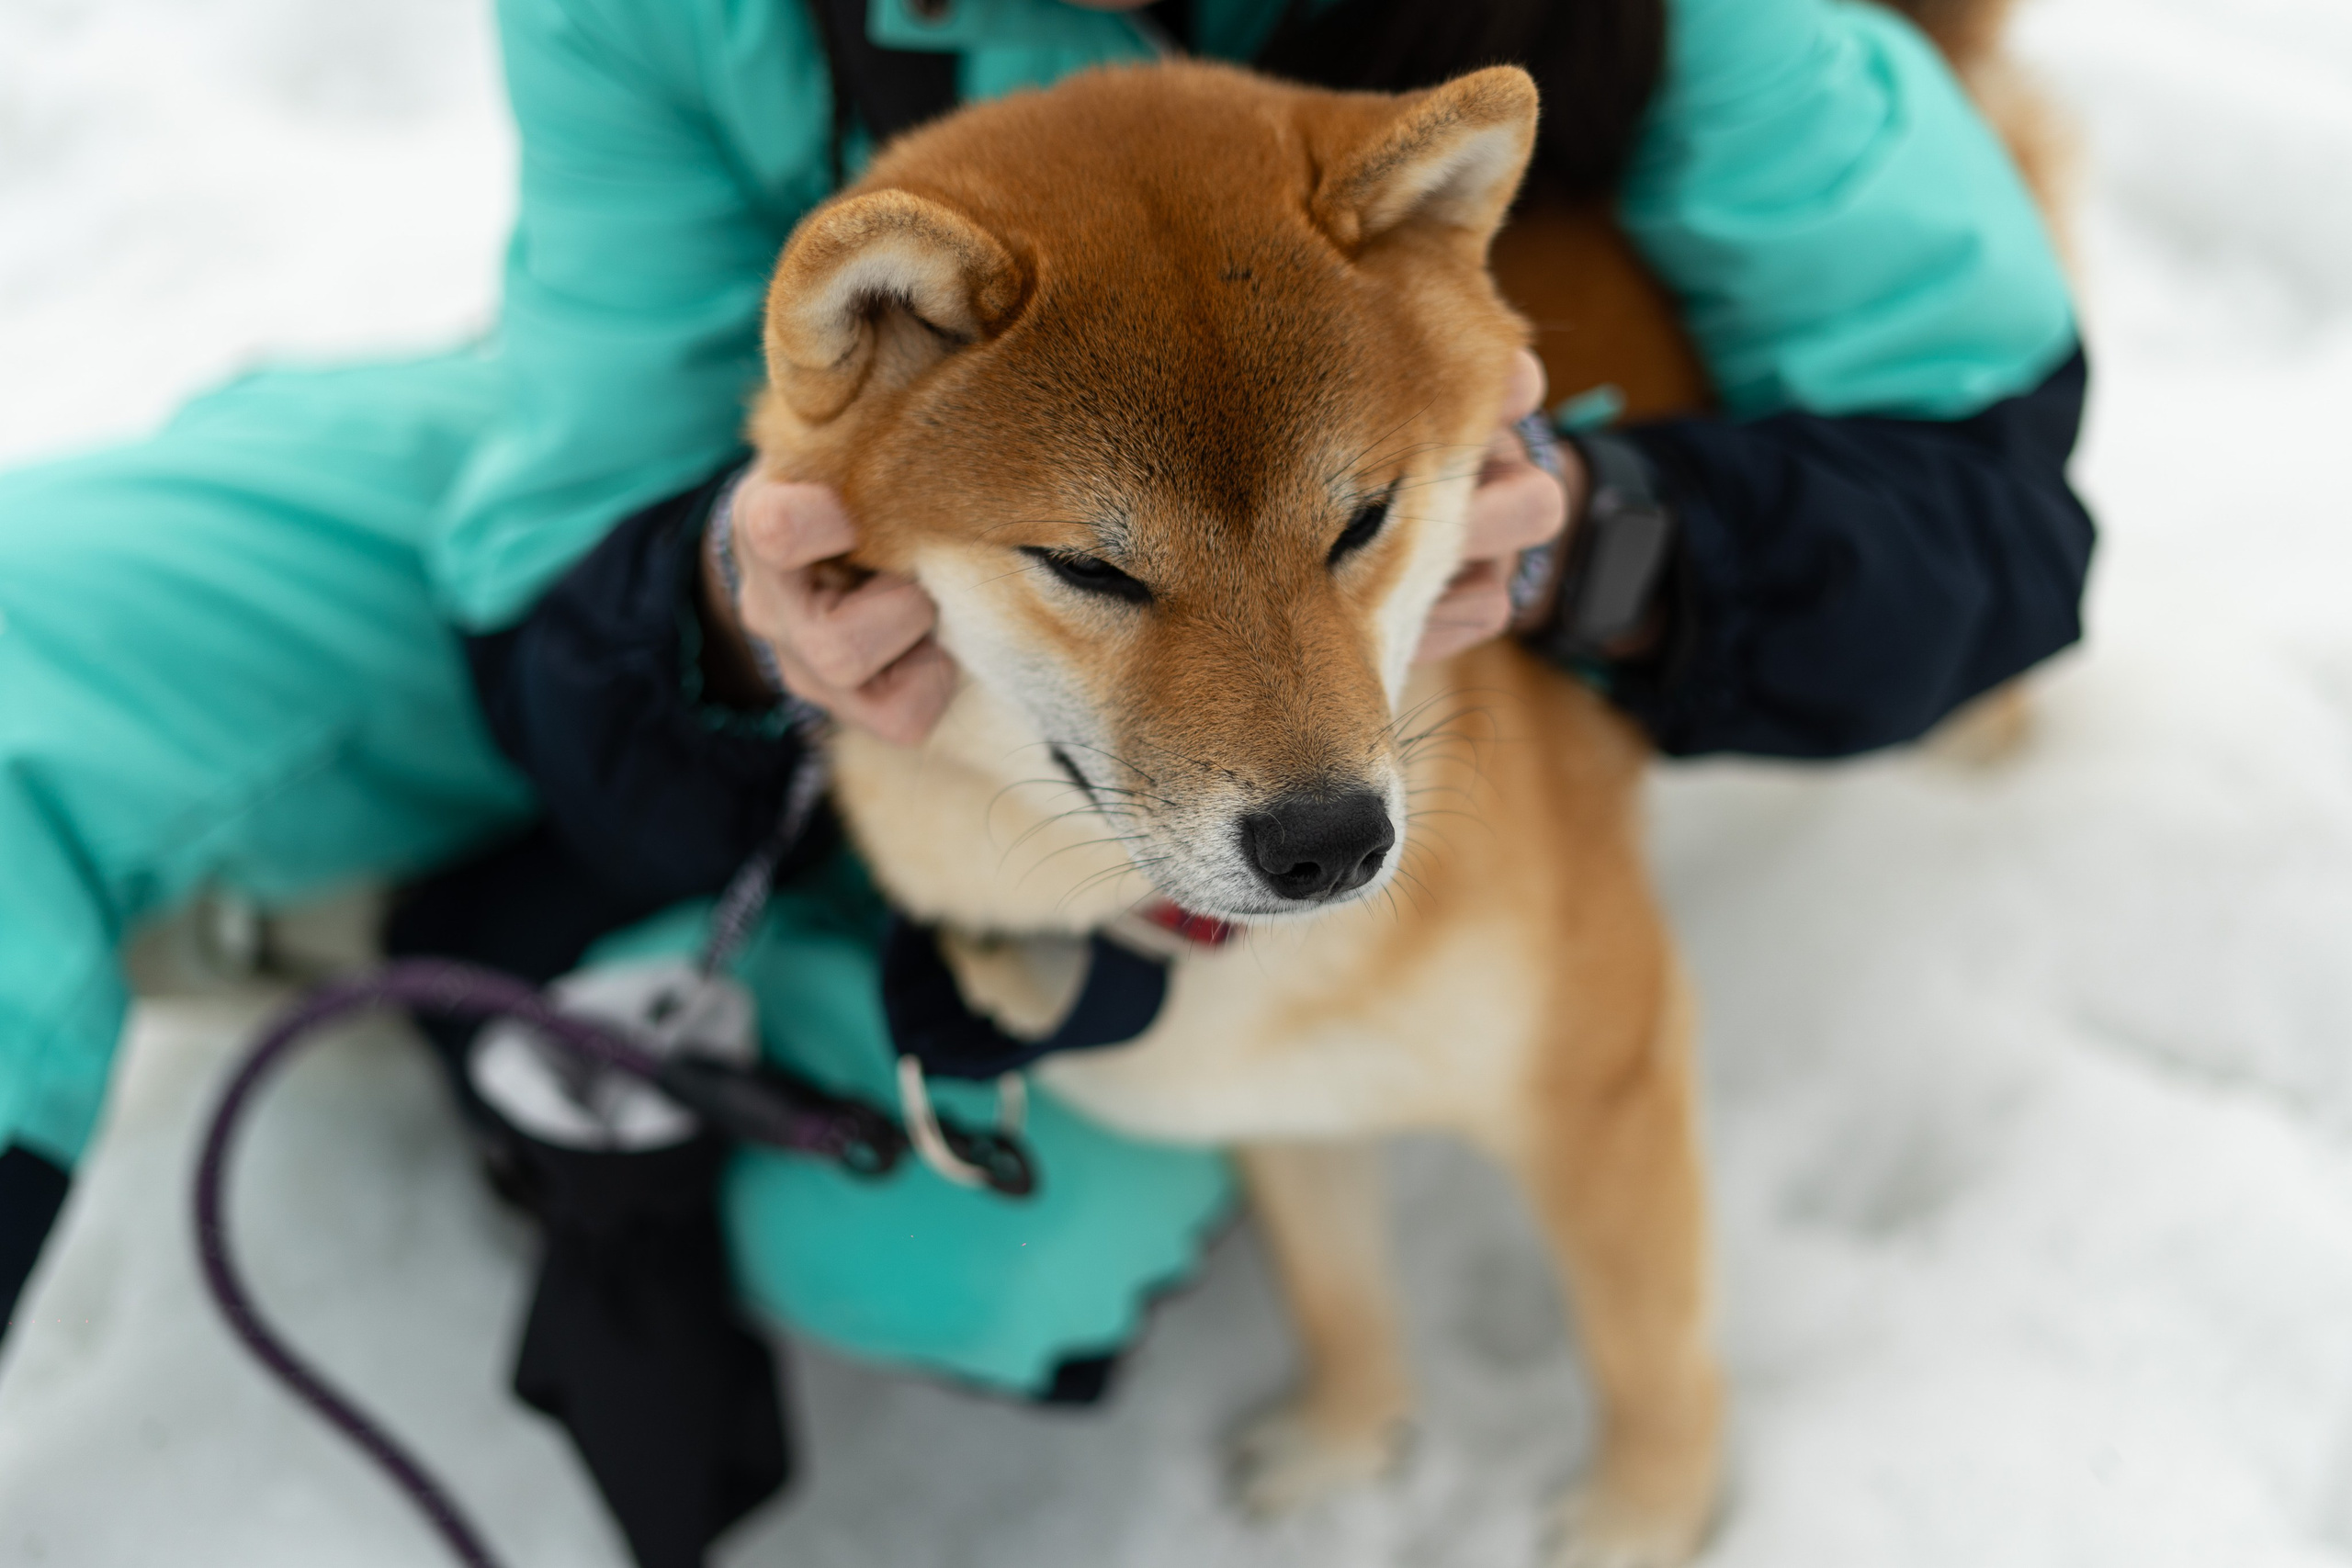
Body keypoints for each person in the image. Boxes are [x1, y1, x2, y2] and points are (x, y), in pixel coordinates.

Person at [0, 0, 2090, 1559]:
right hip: (706, 451)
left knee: (984, 1245)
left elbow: (1991, 494)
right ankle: (545, 902)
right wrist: (720, 616)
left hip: (1255, 490)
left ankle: (542, 943)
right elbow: (563, 499)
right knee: (51, 639)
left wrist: (1599, 534)